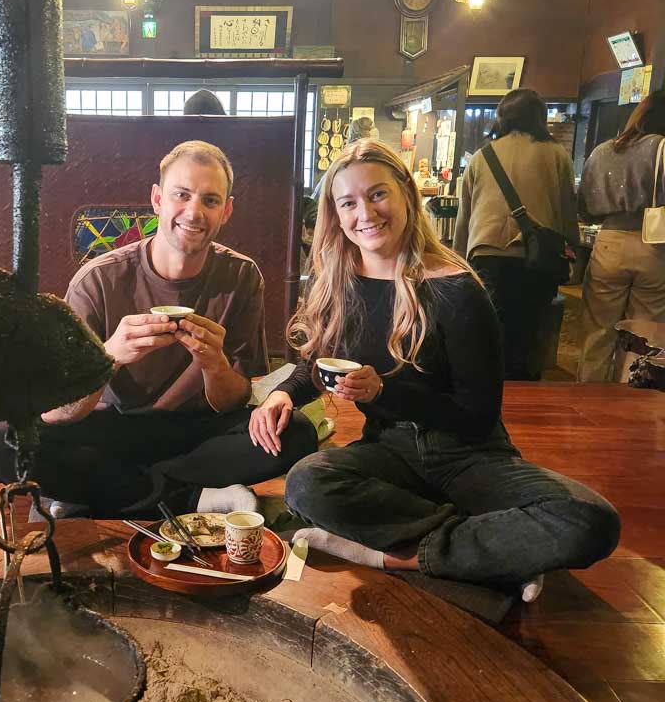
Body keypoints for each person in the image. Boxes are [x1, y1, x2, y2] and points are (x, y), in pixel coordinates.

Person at [251, 140, 619, 600]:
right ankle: (491, 550)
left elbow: (477, 416)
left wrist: (384, 392)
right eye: (348, 203)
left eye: (378, 194)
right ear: (336, 215)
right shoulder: (342, 281)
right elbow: (318, 361)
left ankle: (399, 555)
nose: (365, 213)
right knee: (307, 483)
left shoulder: (458, 289)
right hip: (389, 451)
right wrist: (283, 393)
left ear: (407, 193)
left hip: (469, 456)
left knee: (591, 520)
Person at [0, 140, 317, 518]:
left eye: (210, 200)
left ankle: (109, 490)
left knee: (296, 433)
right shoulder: (97, 281)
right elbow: (57, 411)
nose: (194, 212)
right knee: (2, 445)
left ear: (226, 211)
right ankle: (190, 498)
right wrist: (108, 357)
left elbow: (233, 401)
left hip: (195, 429)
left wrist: (215, 365)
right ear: (157, 199)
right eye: (181, 195)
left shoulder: (241, 277)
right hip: (111, 426)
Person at [453, 88, 577, 380]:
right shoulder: (557, 155)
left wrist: (458, 263)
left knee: (486, 330)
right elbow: (566, 210)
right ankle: (524, 391)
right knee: (528, 333)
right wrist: (571, 252)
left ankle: (488, 388)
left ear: (502, 118)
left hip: (486, 255)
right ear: (539, 117)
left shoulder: (481, 157)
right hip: (535, 259)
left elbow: (465, 217)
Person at [578, 91, 665, 382]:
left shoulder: (603, 150)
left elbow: (585, 208)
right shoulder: (662, 147)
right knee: (642, 335)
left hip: (609, 242)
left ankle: (587, 397)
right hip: (654, 246)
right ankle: (629, 397)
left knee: (597, 331)